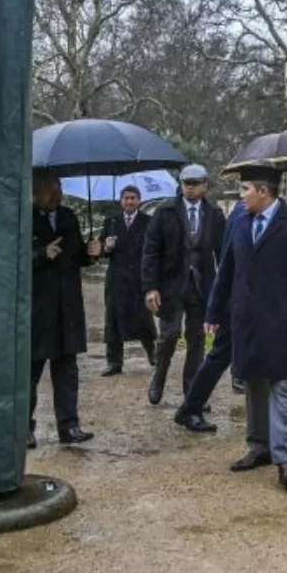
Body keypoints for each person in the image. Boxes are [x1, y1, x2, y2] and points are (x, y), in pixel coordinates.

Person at [206, 167, 287, 491]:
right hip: (246, 321)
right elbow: (226, 271)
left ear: (263, 191)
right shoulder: (239, 222)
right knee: (254, 387)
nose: (241, 195)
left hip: (283, 322)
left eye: (245, 189)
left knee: (284, 388)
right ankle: (258, 447)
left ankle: (286, 461)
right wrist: (214, 311)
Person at [141, 164, 226, 405]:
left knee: (197, 338)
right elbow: (150, 252)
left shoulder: (214, 214)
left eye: (195, 183)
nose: (189, 188)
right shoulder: (165, 211)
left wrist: (223, 290)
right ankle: (159, 377)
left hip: (201, 286)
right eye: (186, 183)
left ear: (205, 186)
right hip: (170, 285)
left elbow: (223, 253)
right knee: (169, 335)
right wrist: (150, 287)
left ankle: (192, 393)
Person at [28, 170, 101, 449]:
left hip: (68, 307)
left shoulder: (69, 217)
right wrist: (40, 255)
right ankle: (24, 428)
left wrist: (92, 252)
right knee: (30, 372)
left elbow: (79, 257)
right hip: (38, 308)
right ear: (38, 189)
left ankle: (69, 426)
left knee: (67, 370)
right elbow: (13, 256)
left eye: (58, 185)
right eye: (50, 186)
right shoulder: (25, 218)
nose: (56, 190)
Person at [172, 193, 249, 433]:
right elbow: (227, 263)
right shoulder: (242, 214)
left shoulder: (246, 213)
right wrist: (216, 308)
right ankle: (190, 408)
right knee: (219, 356)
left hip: (245, 300)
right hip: (238, 300)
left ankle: (278, 417)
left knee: (231, 357)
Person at [98, 185, 156, 376]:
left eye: (133, 198)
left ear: (140, 200)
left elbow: (155, 249)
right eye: (126, 198)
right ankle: (114, 362)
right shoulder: (111, 222)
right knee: (113, 319)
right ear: (120, 200)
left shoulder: (149, 221)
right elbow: (98, 251)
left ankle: (153, 354)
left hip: (140, 278)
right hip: (117, 278)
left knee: (144, 317)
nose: (130, 202)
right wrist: (106, 247)